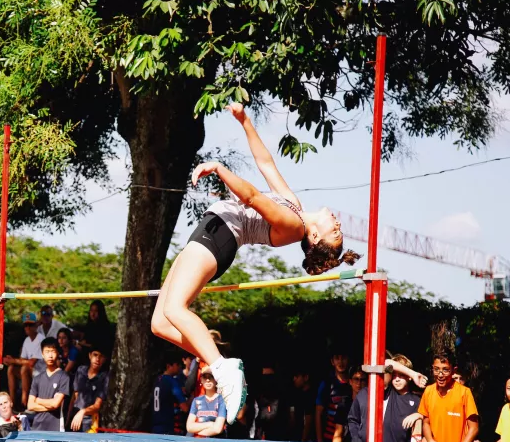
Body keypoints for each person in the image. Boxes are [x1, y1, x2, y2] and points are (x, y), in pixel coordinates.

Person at [150, 103, 360, 425]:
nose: (337, 222)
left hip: (220, 237)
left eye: (334, 230)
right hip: (211, 230)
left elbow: (251, 197)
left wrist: (220, 168)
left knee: (176, 309)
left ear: (315, 236)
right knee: (160, 323)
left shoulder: (292, 225)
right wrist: (245, 120)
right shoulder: (295, 207)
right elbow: (266, 164)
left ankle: (223, 368)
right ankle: (214, 358)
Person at [348, 356, 427, 442]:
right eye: (394, 375)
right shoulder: (389, 392)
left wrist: (420, 415)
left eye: (401, 375)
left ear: (409, 378)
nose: (397, 379)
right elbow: (386, 363)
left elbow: (429, 420)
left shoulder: (417, 400)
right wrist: (413, 374)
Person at [418, 352, 479, 442]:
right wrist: (430, 441)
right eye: (436, 369)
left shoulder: (464, 392)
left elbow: (474, 428)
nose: (440, 375)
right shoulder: (429, 391)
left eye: (445, 370)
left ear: (453, 370)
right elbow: (425, 423)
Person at [27, 338, 71, 431]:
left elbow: (55, 404)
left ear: (58, 353)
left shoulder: (64, 377)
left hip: (56, 428)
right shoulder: (37, 378)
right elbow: (30, 406)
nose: (50, 355)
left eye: (53, 351)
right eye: (47, 352)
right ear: (42, 354)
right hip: (37, 427)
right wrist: (50, 406)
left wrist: (38, 400)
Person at [4, 313, 44, 409]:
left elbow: (31, 363)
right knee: (11, 368)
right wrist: (11, 361)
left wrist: (13, 360)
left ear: (36, 326)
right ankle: (12, 403)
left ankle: (25, 402)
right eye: (26, 325)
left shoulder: (40, 338)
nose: (27, 328)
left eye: (30, 325)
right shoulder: (27, 340)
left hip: (40, 372)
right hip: (30, 372)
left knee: (24, 368)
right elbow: (22, 360)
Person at [315, 350, 352, 442]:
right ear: (332, 362)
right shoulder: (326, 384)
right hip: (329, 439)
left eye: (343, 358)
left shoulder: (355, 383)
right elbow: (318, 413)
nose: (340, 362)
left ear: (348, 360)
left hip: (351, 439)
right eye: (337, 358)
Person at [68, 347, 109, 432]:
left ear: (104, 359)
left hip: (90, 422)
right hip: (74, 418)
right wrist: (68, 418)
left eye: (101, 356)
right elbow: (74, 396)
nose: (97, 359)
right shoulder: (81, 370)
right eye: (95, 355)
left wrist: (83, 412)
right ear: (90, 355)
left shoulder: (104, 377)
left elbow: (97, 406)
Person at [151, 353, 189, 435]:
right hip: (167, 426)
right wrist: (192, 399)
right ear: (169, 366)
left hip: (155, 424)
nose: (179, 367)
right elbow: (185, 408)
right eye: (177, 364)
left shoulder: (157, 380)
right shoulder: (172, 382)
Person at [186, 369, 227, 438]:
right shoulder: (196, 400)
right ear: (201, 380)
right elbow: (189, 427)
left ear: (216, 380)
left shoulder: (222, 400)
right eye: (205, 377)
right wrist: (210, 424)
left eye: (211, 377)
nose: (208, 380)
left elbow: (218, 429)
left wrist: (197, 431)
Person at [289, 365, 316, 442]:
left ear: (306, 377)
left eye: (297, 376)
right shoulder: (297, 394)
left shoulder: (310, 396)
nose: (294, 379)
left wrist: (303, 440)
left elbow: (308, 421)